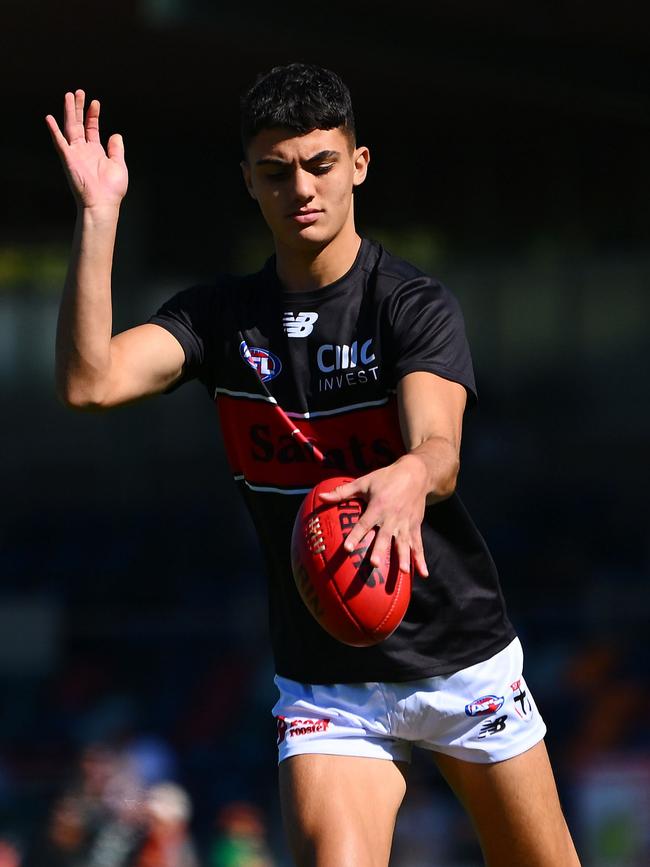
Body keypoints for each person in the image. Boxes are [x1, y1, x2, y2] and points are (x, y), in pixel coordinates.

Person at [46, 63, 582, 866]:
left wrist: (410, 475)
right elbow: (89, 383)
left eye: (321, 164)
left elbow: (438, 450)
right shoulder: (219, 318)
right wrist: (98, 216)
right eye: (276, 170)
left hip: (463, 661)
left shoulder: (409, 304)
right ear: (250, 183)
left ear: (357, 165)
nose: (302, 187)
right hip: (330, 683)